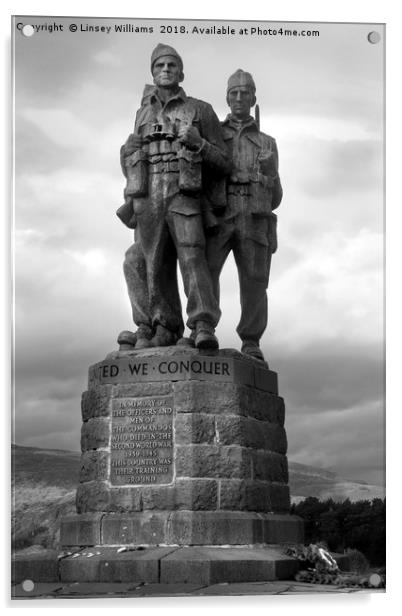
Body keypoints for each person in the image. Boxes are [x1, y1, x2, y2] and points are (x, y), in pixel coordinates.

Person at [117, 44, 230, 350]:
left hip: (184, 193)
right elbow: (131, 159)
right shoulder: (143, 112)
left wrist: (199, 144)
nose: (165, 70)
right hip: (149, 194)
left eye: (171, 65)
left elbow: (225, 162)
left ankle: (203, 325)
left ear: (181, 72)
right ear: (152, 72)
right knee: (150, 263)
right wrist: (128, 152)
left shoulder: (200, 109)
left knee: (192, 256)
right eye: (159, 66)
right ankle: (162, 326)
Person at [205, 69, 283, 362]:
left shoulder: (268, 142)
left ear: (253, 98)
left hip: (254, 214)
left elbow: (276, 198)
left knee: (254, 281)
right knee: (206, 271)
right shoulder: (215, 134)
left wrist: (269, 171)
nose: (239, 98)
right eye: (234, 93)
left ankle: (251, 340)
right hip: (220, 212)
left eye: (245, 93)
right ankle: (205, 328)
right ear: (227, 97)